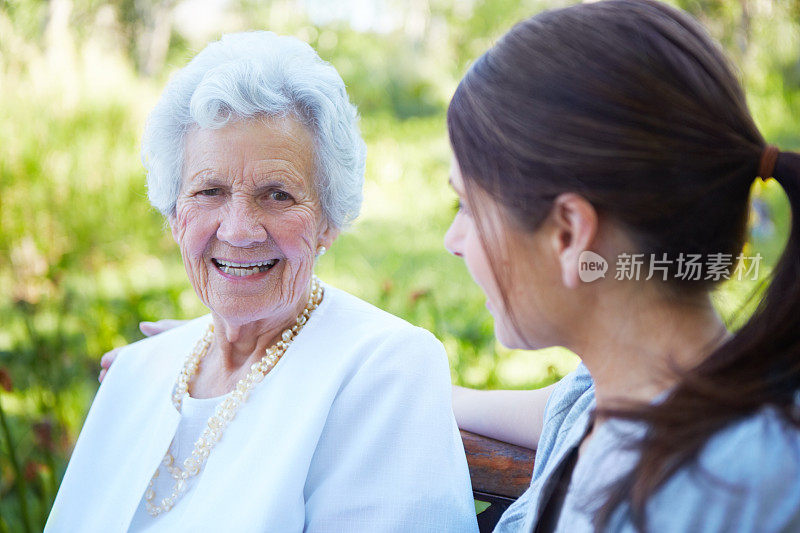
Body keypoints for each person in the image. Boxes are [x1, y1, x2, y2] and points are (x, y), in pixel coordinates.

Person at [100, 1, 800, 531]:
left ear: (567, 233)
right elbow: (532, 402)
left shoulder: (735, 483)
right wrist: (270, 371)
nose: (453, 240)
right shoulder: (612, 396)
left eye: (468, 206)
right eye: (209, 192)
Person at [46, 31, 477, 533]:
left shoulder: (385, 367)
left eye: (277, 194)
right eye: (209, 191)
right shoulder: (138, 372)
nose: (239, 231)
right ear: (174, 215)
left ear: (328, 221)